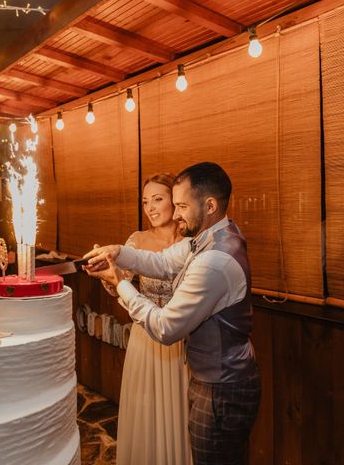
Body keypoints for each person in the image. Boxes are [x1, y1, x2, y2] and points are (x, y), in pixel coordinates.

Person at [85, 162, 260, 465]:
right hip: (214, 378)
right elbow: (163, 263)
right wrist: (117, 251)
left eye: (181, 206)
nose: (176, 214)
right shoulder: (206, 238)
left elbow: (166, 328)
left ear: (209, 205)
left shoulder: (215, 260)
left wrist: (119, 282)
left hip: (222, 388)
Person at [102, 173, 191, 465]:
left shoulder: (191, 239)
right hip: (146, 337)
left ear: (175, 201)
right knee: (149, 409)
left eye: (158, 199)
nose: (150, 208)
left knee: (182, 411)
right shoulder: (137, 240)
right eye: (145, 202)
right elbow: (121, 284)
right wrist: (110, 277)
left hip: (185, 338)